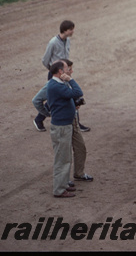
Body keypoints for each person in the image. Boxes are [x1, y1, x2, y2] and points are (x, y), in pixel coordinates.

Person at [32, 59, 93, 189]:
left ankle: (78, 173)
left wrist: (73, 104)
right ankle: (62, 184)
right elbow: (36, 100)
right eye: (69, 69)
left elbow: (67, 97)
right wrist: (49, 113)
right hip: (62, 123)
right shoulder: (52, 84)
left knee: (80, 148)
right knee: (63, 156)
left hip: (72, 121)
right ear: (61, 71)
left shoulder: (63, 82)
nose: (71, 72)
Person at [46, 60, 83, 198]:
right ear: (60, 71)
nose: (69, 70)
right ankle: (59, 190)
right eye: (67, 68)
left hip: (63, 126)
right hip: (62, 127)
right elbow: (78, 92)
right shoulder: (56, 85)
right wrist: (71, 80)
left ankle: (64, 184)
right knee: (62, 159)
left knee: (65, 157)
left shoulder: (56, 84)